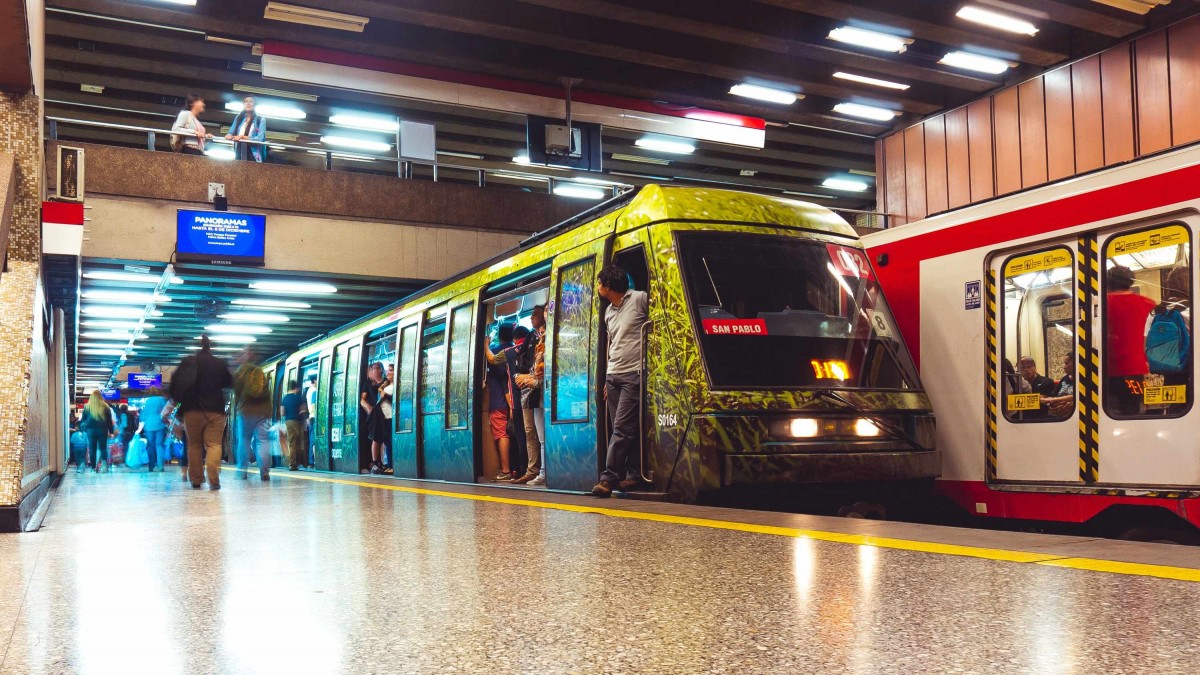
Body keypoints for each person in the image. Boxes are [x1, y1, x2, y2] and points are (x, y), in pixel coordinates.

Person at [593, 264, 649, 498]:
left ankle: (608, 479)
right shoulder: (609, 312)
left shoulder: (640, 299)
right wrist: (607, 378)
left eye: (599, 283)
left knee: (621, 429)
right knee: (626, 430)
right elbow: (612, 345)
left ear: (608, 286)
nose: (597, 287)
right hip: (614, 375)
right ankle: (634, 474)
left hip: (633, 374)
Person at [171, 335, 233, 490]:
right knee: (213, 444)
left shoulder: (188, 362)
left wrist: (179, 405)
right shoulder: (219, 363)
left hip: (192, 410)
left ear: (196, 346)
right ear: (211, 346)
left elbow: (175, 385)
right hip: (215, 410)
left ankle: (197, 479)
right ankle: (214, 479)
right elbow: (230, 382)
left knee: (194, 445)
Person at [1106, 265, 1157, 416]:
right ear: (1130, 281)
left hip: (1109, 372)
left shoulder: (1102, 304)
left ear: (1108, 283)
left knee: (1110, 414)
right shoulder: (1148, 303)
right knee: (1134, 411)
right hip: (1136, 372)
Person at [511, 305, 547, 485]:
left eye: (535, 314)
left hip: (540, 387)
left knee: (540, 433)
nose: (532, 317)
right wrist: (518, 376)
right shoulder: (532, 337)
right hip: (530, 390)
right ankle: (534, 470)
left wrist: (531, 378)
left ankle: (541, 471)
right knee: (531, 432)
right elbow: (522, 359)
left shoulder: (547, 335)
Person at [483, 323, 516, 481]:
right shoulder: (516, 349)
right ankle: (516, 468)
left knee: (501, 433)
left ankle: (505, 470)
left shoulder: (496, 351)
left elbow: (490, 359)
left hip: (499, 400)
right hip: (514, 399)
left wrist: (486, 345)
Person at [233, 358, 273, 481]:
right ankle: (265, 472)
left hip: (246, 411)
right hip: (263, 412)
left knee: (244, 440)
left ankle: (242, 472)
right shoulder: (260, 373)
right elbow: (268, 393)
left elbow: (237, 394)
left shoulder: (240, 374)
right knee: (263, 441)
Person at [77, 391, 115, 473]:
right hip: (102, 430)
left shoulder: (87, 407)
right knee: (103, 448)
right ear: (100, 397)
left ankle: (93, 468)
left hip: (90, 431)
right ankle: (104, 466)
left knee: (92, 449)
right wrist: (111, 432)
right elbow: (109, 421)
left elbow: (83, 420)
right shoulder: (105, 406)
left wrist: (80, 430)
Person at [362, 362, 389, 474]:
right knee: (376, 437)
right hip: (375, 413)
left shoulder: (386, 382)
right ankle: (375, 462)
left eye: (378, 368)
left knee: (385, 437)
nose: (375, 370)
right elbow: (362, 399)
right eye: (373, 368)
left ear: (382, 370)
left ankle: (385, 462)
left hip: (386, 412)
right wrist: (368, 407)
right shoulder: (368, 384)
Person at [225, 95, 267, 162]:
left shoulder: (260, 120)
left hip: (253, 154)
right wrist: (229, 135)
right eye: (246, 101)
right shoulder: (239, 118)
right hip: (239, 151)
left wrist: (242, 137)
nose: (248, 103)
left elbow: (259, 139)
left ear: (255, 104)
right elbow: (231, 132)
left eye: (251, 101)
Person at [137, 387, 169, 472]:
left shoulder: (147, 401)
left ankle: (151, 466)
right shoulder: (161, 399)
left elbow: (143, 415)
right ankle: (160, 466)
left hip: (149, 425)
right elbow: (166, 410)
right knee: (159, 445)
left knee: (150, 446)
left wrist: (142, 422)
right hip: (159, 424)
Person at [279, 380, 306, 471]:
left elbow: (282, 413)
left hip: (288, 422)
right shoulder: (299, 398)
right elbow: (303, 410)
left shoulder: (284, 398)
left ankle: (292, 464)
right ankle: (301, 462)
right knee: (300, 442)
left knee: (292, 443)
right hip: (297, 422)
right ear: (296, 388)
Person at [305, 374, 318, 468]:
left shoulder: (309, 390)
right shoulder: (314, 391)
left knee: (312, 440)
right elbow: (313, 405)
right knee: (313, 440)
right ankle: (312, 461)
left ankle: (311, 461)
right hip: (314, 417)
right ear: (315, 380)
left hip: (311, 416)